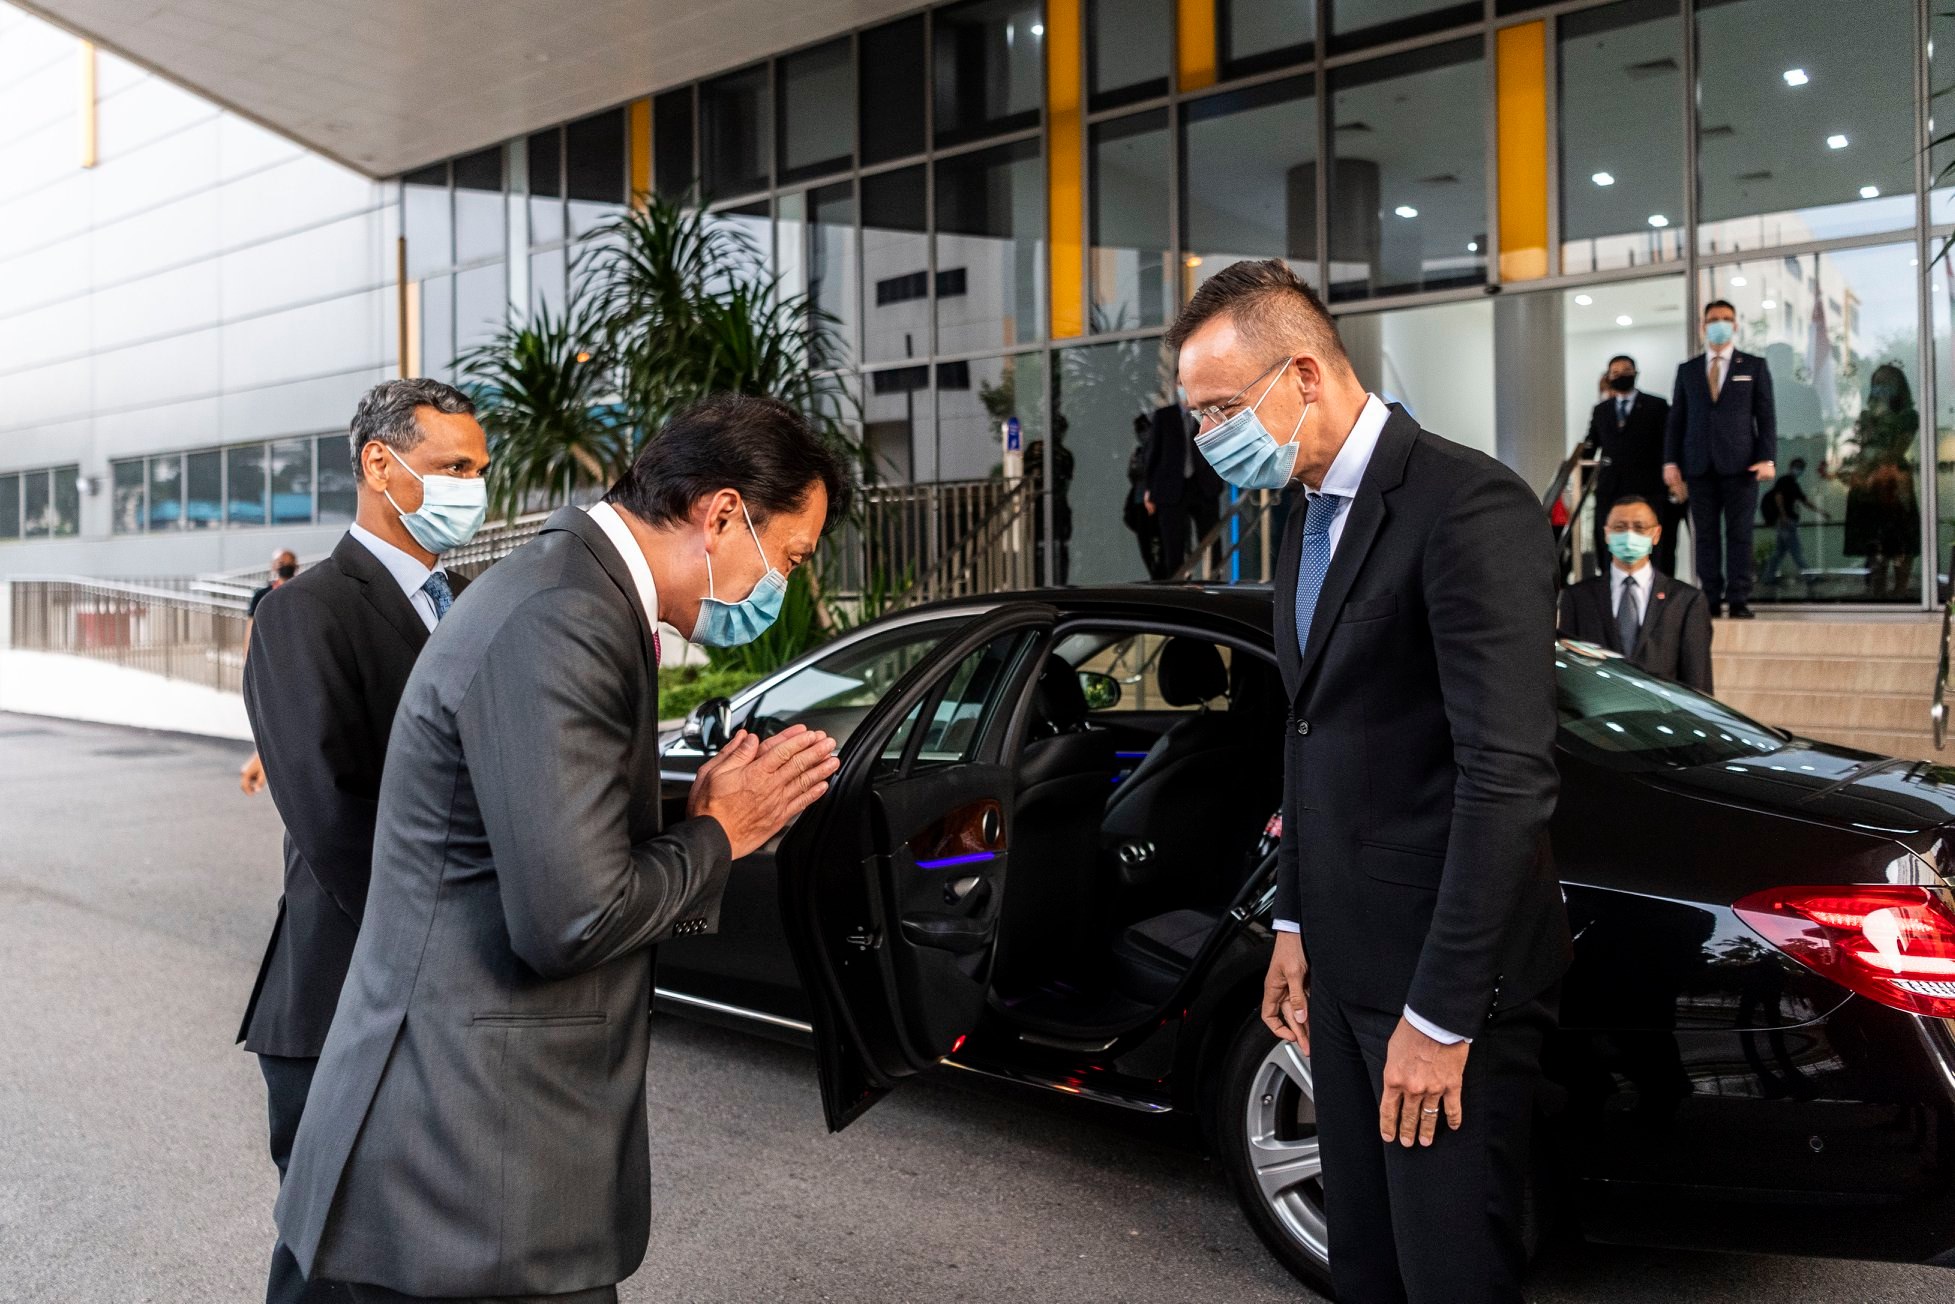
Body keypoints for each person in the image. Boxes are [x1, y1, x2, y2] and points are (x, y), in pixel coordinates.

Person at [277, 395, 846, 1304]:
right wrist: (720, 833)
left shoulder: (576, 590)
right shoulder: (563, 613)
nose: (781, 582)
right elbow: (571, 919)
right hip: (459, 1168)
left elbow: (553, 831)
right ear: (722, 514)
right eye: (791, 556)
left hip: (470, 1164)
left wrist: (700, 816)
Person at [1171, 260, 1566, 1304]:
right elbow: (1311, 736)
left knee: (1448, 1273)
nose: (1207, 437)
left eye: (1220, 409)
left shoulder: (1465, 504)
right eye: (1196, 416)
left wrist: (1440, 1018)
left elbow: (1504, 777)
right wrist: (1292, 920)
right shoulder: (1304, 515)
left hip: (1441, 988)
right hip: (1339, 969)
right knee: (1365, 1268)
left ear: (1302, 373)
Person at [239, 379, 491, 1304]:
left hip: (441, 1012)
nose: (473, 488)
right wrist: (470, 941)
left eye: (480, 469)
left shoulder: (474, 602)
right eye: (453, 467)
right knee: (334, 1271)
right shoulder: (303, 610)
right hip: (346, 1000)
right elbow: (334, 818)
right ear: (379, 465)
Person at [1664, 300, 1777, 618]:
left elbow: (1765, 416)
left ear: (1736, 325)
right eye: (1714, 319)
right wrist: (1670, 462)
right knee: (1705, 535)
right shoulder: (1688, 370)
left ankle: (1739, 597)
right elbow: (1677, 419)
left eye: (1726, 319)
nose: (1720, 324)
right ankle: (1710, 598)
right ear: (1703, 326)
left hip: (1742, 465)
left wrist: (1767, 457)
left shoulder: (1753, 366)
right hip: (1698, 466)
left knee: (1740, 533)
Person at [1556, 495, 1714, 693]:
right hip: (1598, 707)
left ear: (1656, 534)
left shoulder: (1686, 600)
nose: (1629, 535)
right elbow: (1569, 674)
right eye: (1620, 527)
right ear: (1607, 533)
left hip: (1661, 708)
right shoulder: (1577, 597)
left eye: (1639, 528)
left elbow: (1698, 681)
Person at [1583, 355, 1680, 577]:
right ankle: (1611, 587)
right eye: (1615, 372)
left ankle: (1657, 588)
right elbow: (1590, 445)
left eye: (1625, 371)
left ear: (1635, 373)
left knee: (1654, 544)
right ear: (1609, 376)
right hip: (1611, 488)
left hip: (1649, 487)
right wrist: (1579, 481)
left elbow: (1669, 443)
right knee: (1609, 542)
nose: (1621, 376)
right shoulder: (1601, 410)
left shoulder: (1657, 405)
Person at [1841, 364, 1920, 600]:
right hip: (1867, 482)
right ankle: (1878, 591)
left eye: (1886, 382)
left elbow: (1898, 447)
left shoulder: (1907, 416)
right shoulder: (1867, 416)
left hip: (1891, 480)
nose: (1880, 387)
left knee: (1900, 536)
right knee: (1873, 539)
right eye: (1877, 382)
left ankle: (1900, 590)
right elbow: (1860, 444)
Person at [240, 549, 301, 796]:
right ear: (273, 566)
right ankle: (266, 760)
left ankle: (268, 762)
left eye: (288, 561)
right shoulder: (262, 596)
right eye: (280, 562)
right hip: (270, 663)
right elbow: (250, 630)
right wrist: (249, 663)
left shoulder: (302, 592)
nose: (284, 565)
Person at [1144, 391, 1225, 575]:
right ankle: (1177, 583)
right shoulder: (1164, 416)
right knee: (1173, 543)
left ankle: (1215, 579)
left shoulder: (1209, 414)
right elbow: (1152, 455)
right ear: (1176, 386)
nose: (1185, 389)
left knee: (1211, 539)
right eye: (1180, 383)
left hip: (1203, 486)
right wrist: (1149, 489)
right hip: (1171, 487)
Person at [1761, 457, 1823, 597]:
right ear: (1790, 467)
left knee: (1779, 552)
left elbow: (1805, 501)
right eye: (1797, 467)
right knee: (1796, 550)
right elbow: (1778, 497)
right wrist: (1783, 515)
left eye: (1800, 468)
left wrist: (1821, 512)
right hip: (1786, 521)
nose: (1798, 470)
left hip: (1787, 521)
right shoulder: (1785, 481)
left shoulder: (1794, 485)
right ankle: (1809, 576)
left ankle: (1768, 577)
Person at [1125, 412, 1167, 579]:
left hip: (1159, 503)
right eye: (1139, 430)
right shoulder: (1138, 453)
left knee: (1162, 542)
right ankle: (1155, 574)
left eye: (1144, 428)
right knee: (1146, 544)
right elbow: (1133, 474)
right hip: (1140, 504)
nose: (1142, 433)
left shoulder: (1160, 450)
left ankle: (1162, 574)